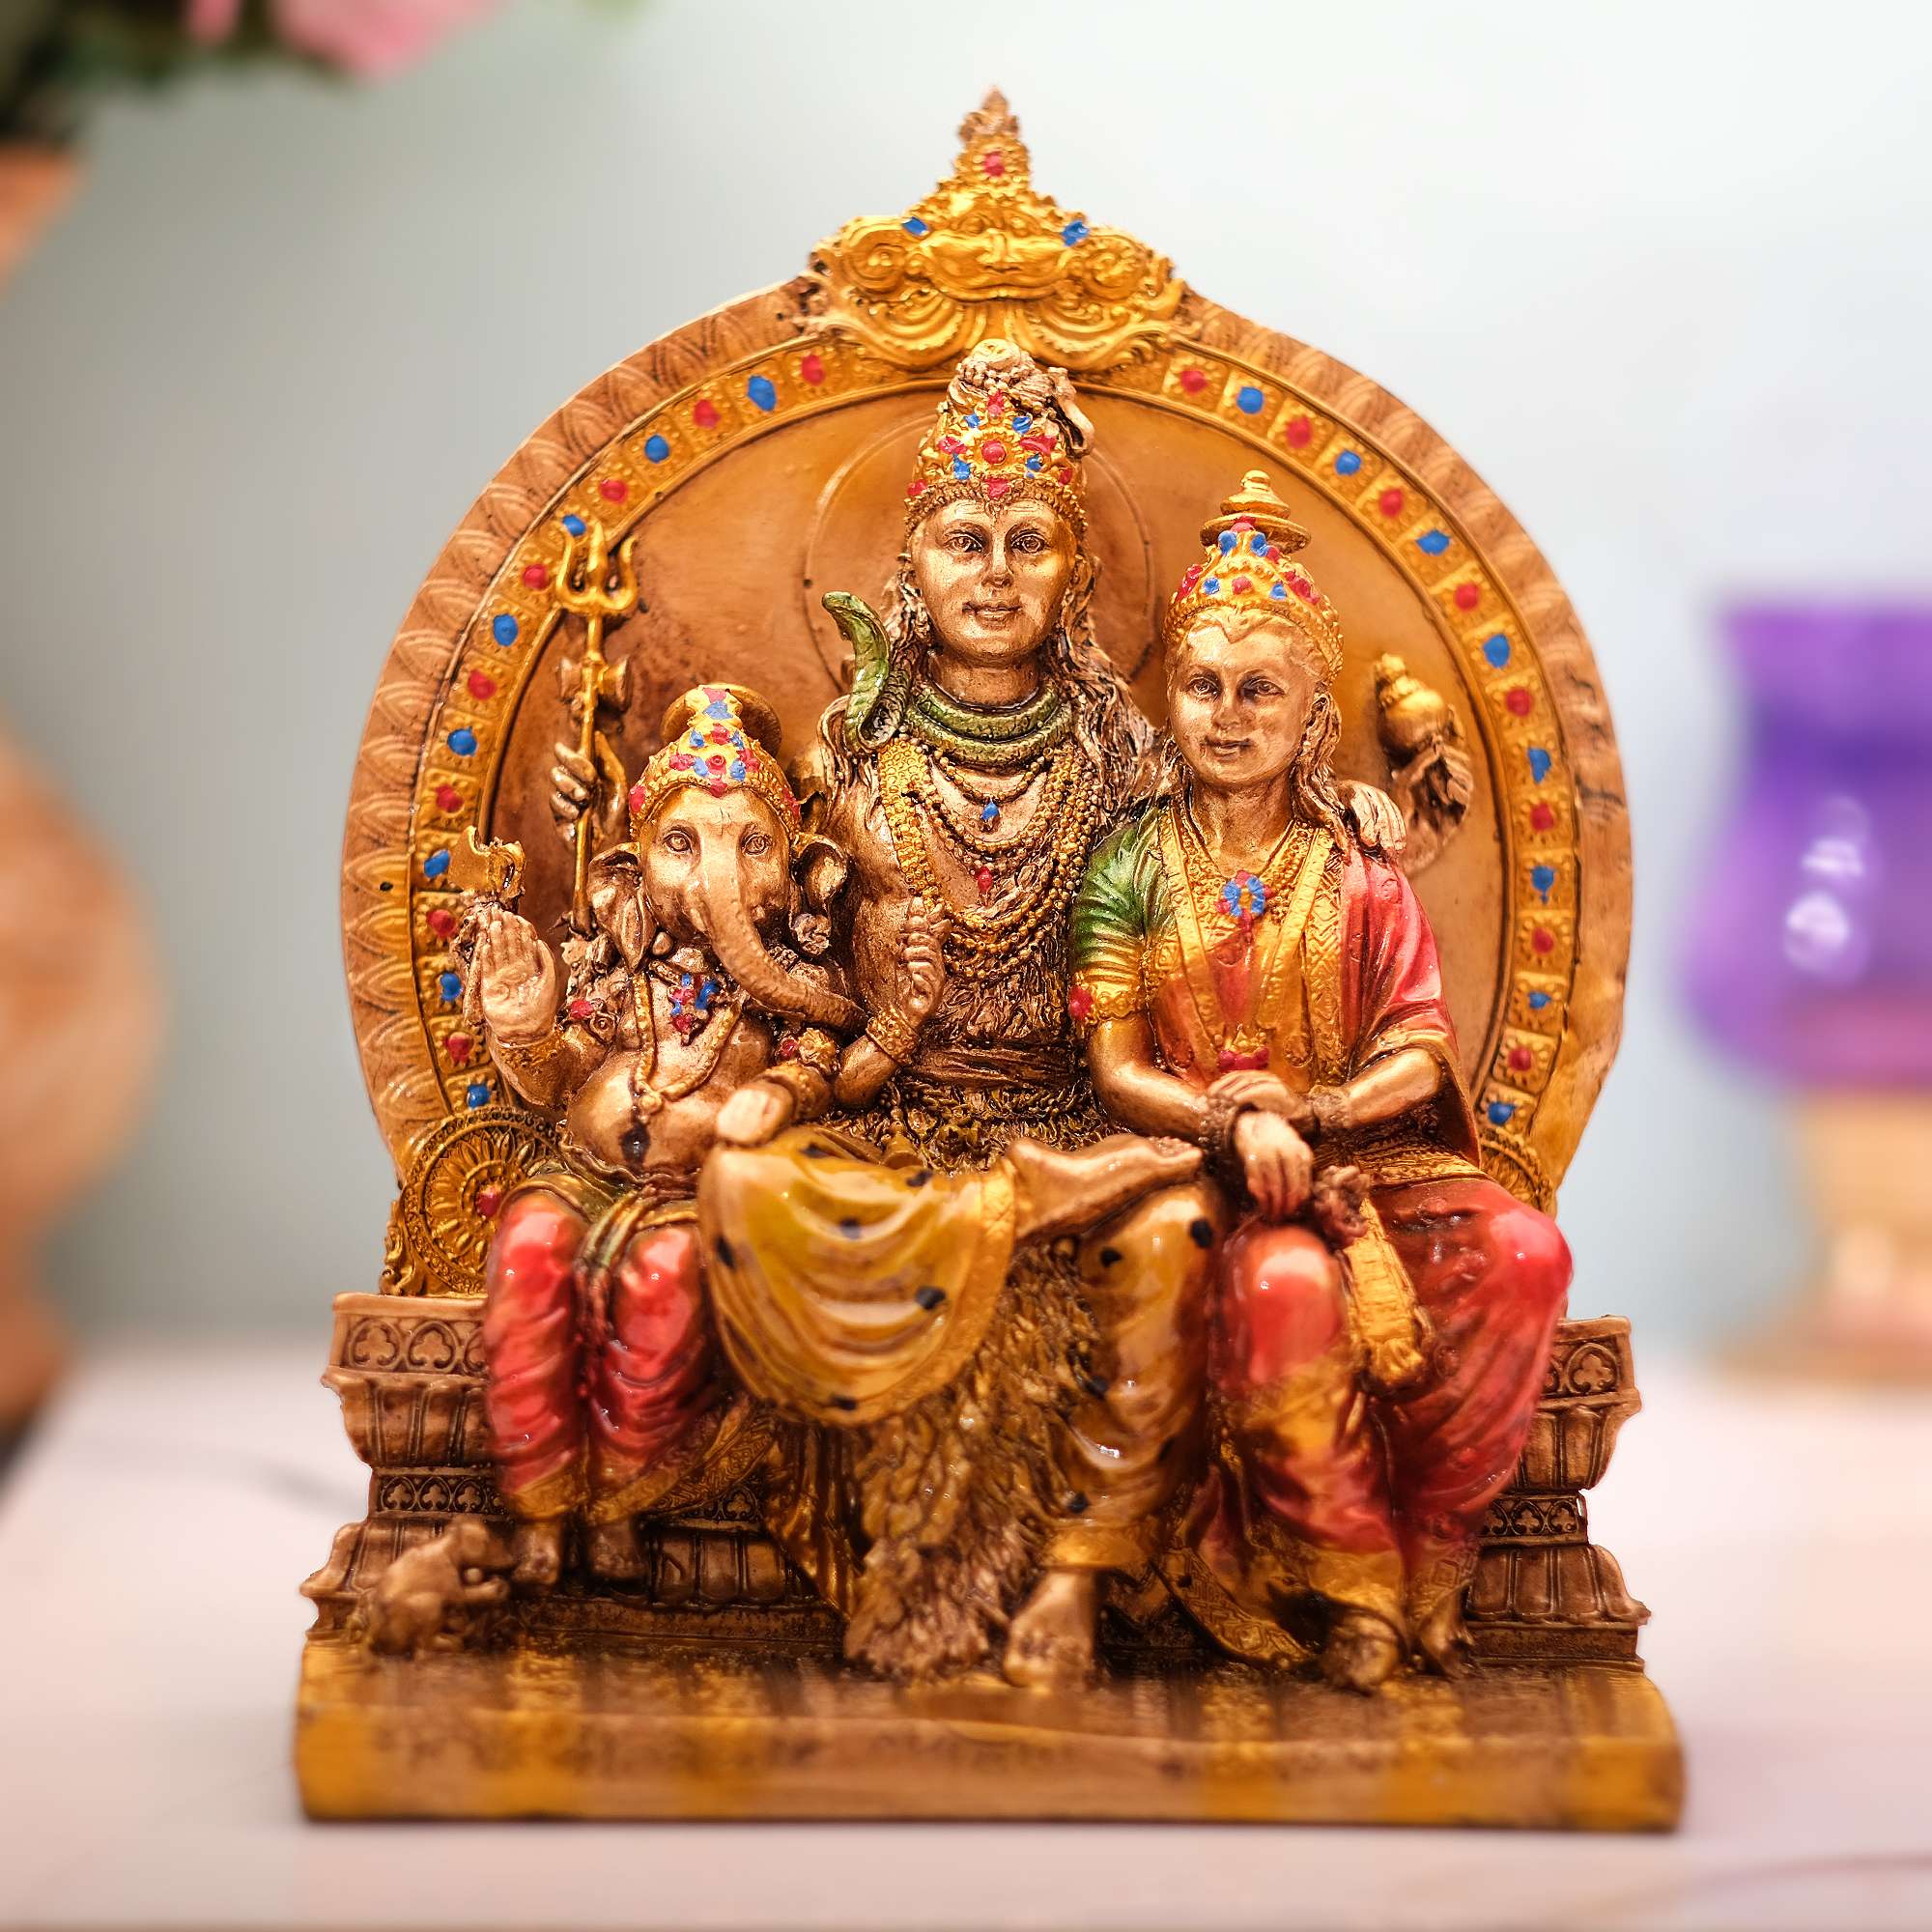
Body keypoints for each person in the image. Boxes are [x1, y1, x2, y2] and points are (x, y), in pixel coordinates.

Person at [1067, 470, 1573, 1690]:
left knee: (1522, 1253)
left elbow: (1418, 1048)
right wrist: (1231, 1124)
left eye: (1259, 690)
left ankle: (1436, 1548)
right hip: (1204, 1176)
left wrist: (1318, 1111)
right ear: (1168, 698)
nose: (1226, 716)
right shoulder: (1128, 862)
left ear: (1310, 714)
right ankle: (1354, 1583)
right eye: (1202, 685)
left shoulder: (1358, 871)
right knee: (1282, 1284)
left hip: (1367, 1163)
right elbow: (1116, 1068)